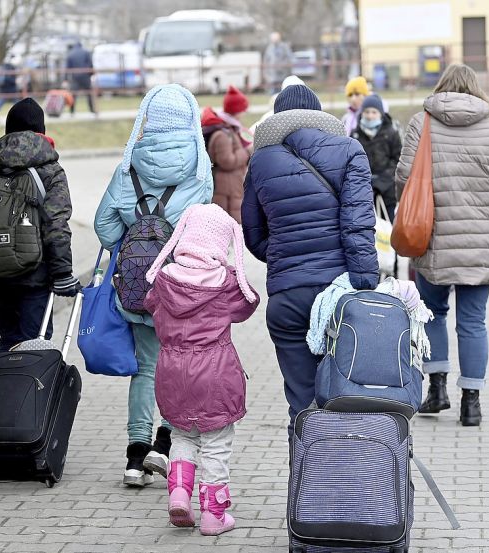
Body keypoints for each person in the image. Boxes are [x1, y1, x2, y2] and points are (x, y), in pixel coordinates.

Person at [94, 84, 214, 488]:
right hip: (180, 288)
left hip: (137, 289)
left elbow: (103, 225)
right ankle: (164, 447)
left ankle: (133, 457)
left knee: (146, 368)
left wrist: (132, 245)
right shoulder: (199, 166)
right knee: (178, 366)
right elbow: (201, 230)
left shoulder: (129, 163)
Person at [394, 64, 489, 428]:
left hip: (432, 238)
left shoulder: (423, 124)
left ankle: (437, 391)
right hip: (481, 242)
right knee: (473, 322)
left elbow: (404, 179)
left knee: (433, 313)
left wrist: (405, 219)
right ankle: (472, 404)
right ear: (476, 90)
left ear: (441, 89)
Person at [242, 84, 377, 433]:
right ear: (318, 115)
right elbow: (358, 224)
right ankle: (347, 482)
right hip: (341, 295)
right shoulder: (350, 151)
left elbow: (254, 236)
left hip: (288, 296)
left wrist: (285, 257)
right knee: (347, 398)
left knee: (302, 405)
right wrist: (366, 284)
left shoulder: (260, 161)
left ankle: (303, 484)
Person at [144, 203, 259, 536]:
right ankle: (214, 514)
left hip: (171, 371)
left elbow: (150, 304)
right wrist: (233, 270)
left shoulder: (164, 279)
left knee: (182, 433)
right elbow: (248, 304)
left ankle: (179, 492)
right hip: (214, 373)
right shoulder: (223, 283)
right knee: (216, 441)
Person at [0, 98, 79, 351]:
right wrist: (63, 274)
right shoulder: (50, 171)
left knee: (9, 341)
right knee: (35, 347)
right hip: (35, 274)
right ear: (41, 131)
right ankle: (27, 390)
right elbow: (56, 224)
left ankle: (3, 390)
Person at [202, 85, 252, 222]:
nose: (245, 113)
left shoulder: (229, 129)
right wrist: (247, 152)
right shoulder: (222, 135)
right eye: (243, 109)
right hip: (226, 191)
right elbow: (227, 162)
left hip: (231, 187)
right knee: (229, 224)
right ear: (237, 110)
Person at [350, 94, 401, 220]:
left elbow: (398, 161)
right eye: (367, 112)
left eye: (374, 112)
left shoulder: (391, 134)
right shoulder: (355, 135)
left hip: (387, 190)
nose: (370, 116)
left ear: (381, 114)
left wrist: (381, 182)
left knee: (388, 228)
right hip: (362, 191)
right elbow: (351, 162)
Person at [65, 42, 96, 116]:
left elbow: (67, 68)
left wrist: (65, 79)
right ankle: (92, 111)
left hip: (75, 77)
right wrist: (91, 74)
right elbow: (90, 64)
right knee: (89, 94)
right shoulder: (86, 52)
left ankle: (72, 111)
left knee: (73, 95)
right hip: (85, 76)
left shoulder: (70, 54)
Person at [0, 55, 19, 123]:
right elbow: (12, 79)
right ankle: (21, 116)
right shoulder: (11, 67)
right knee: (16, 103)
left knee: (1, 102)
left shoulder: (2, 67)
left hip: (4, 89)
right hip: (11, 89)